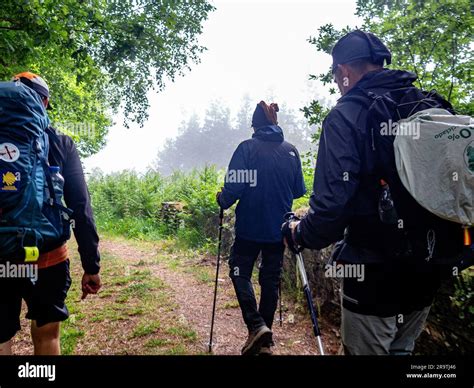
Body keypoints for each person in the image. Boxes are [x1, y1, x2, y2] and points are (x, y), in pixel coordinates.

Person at [282, 31, 445, 355]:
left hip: (375, 277)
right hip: (429, 268)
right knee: (403, 350)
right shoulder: (427, 105)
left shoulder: (345, 117)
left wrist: (299, 234)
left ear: (343, 71)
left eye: (335, 75)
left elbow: (330, 211)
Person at [0, 72, 102, 355]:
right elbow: (81, 207)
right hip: (46, 258)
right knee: (47, 337)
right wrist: (91, 266)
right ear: (43, 102)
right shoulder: (60, 142)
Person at [217, 101, 306, 356]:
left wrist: (222, 199)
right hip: (279, 229)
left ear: (255, 126)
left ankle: (256, 325)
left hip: (249, 227)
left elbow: (233, 188)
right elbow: (299, 190)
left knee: (239, 271)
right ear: (275, 124)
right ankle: (265, 342)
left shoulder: (247, 148)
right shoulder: (291, 151)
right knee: (270, 279)